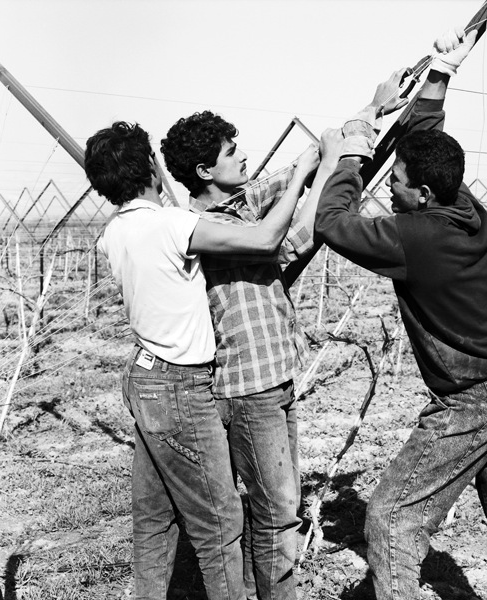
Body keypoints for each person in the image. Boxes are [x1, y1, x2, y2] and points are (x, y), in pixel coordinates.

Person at [313, 28, 487, 600]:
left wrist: (356, 140)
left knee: (390, 520)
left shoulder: (413, 238)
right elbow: (423, 138)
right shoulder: (463, 206)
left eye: (394, 183)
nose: (388, 190)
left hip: (474, 401)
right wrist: (440, 71)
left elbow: (331, 220)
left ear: (419, 196)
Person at [84, 121, 320, 600]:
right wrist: (298, 181)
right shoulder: (172, 224)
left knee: (154, 519)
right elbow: (263, 241)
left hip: (143, 375)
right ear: (151, 168)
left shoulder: (112, 235)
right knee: (221, 523)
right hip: (179, 385)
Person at [160, 110, 339, 600]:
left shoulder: (241, 204)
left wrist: (371, 111)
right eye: (231, 153)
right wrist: (312, 172)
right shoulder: (203, 228)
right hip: (247, 387)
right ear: (203, 172)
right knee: (277, 512)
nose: (244, 157)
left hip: (276, 378)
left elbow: (289, 175)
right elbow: (284, 241)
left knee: (280, 508)